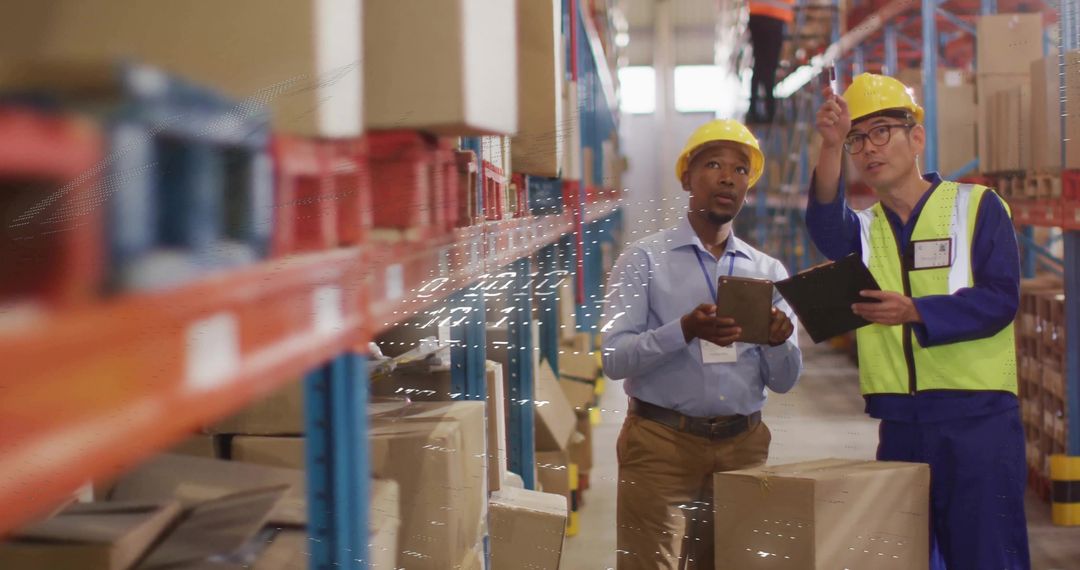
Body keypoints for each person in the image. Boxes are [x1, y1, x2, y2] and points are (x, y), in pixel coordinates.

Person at [805, 73, 1030, 569]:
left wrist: (917, 312)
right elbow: (823, 223)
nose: (868, 149)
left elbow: (1000, 300)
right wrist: (828, 146)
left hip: (977, 420)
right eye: (856, 140)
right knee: (908, 557)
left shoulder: (976, 208)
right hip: (902, 424)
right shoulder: (864, 231)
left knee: (987, 555)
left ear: (917, 137)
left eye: (882, 130)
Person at [601, 119, 802, 569]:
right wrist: (684, 331)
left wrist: (777, 343)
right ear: (688, 177)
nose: (728, 177)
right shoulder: (643, 261)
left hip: (743, 446)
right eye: (713, 164)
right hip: (660, 445)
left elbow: (786, 380)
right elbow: (614, 357)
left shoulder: (768, 271)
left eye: (740, 170)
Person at [747, 0, 794, 124]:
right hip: (774, 18)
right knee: (769, 67)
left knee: (759, 65)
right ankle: (770, 112)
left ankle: (754, 110)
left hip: (756, 16)